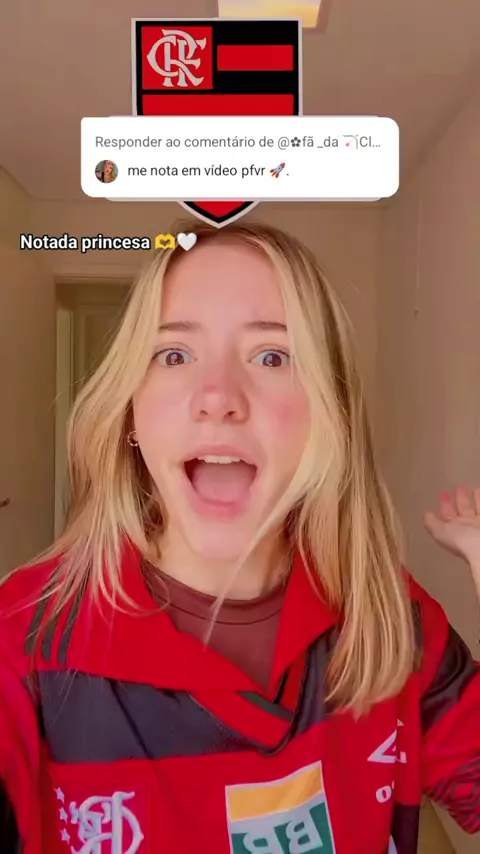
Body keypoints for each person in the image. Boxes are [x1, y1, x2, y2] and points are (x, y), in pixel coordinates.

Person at [0, 221, 478, 854]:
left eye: (272, 356)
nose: (218, 397)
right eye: (174, 354)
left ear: (328, 414)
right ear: (131, 412)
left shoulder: (388, 614)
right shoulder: (23, 639)